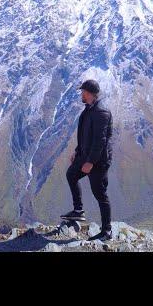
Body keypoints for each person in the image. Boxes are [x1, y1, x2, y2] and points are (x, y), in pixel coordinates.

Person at [61, 79, 113, 241]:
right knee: (71, 175)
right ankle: (78, 211)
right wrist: (77, 152)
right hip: (85, 155)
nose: (81, 94)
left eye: (83, 92)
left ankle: (107, 231)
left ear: (90, 94)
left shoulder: (101, 112)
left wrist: (90, 162)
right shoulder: (89, 109)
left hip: (98, 161)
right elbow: (85, 135)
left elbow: (100, 141)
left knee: (100, 194)